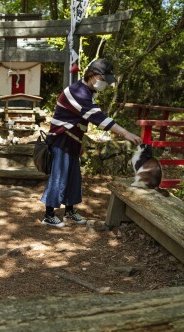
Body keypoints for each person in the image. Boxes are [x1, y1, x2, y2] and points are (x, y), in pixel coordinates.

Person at [40, 58, 143, 227]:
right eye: (103, 80)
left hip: (73, 140)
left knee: (73, 177)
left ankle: (70, 211)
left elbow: (81, 120)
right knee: (59, 176)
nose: (105, 84)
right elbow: (98, 118)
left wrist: (80, 142)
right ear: (92, 76)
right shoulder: (77, 92)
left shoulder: (87, 92)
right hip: (61, 139)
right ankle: (49, 214)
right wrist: (124, 132)